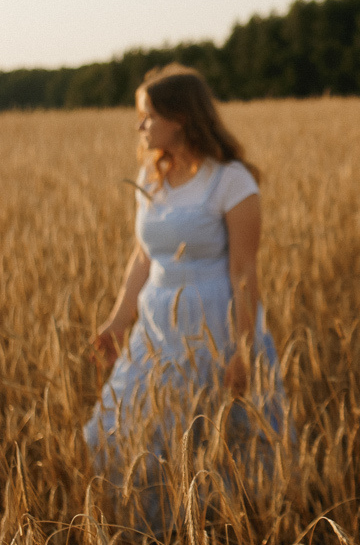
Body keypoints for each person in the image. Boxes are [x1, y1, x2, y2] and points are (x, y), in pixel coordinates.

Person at [85, 64, 287, 499]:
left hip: (212, 325)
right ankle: (160, 540)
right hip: (156, 329)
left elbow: (244, 272)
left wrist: (244, 351)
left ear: (179, 118)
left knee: (216, 445)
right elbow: (142, 256)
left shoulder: (232, 180)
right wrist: (118, 322)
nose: (140, 125)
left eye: (148, 115)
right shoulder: (151, 177)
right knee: (115, 433)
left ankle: (216, 544)